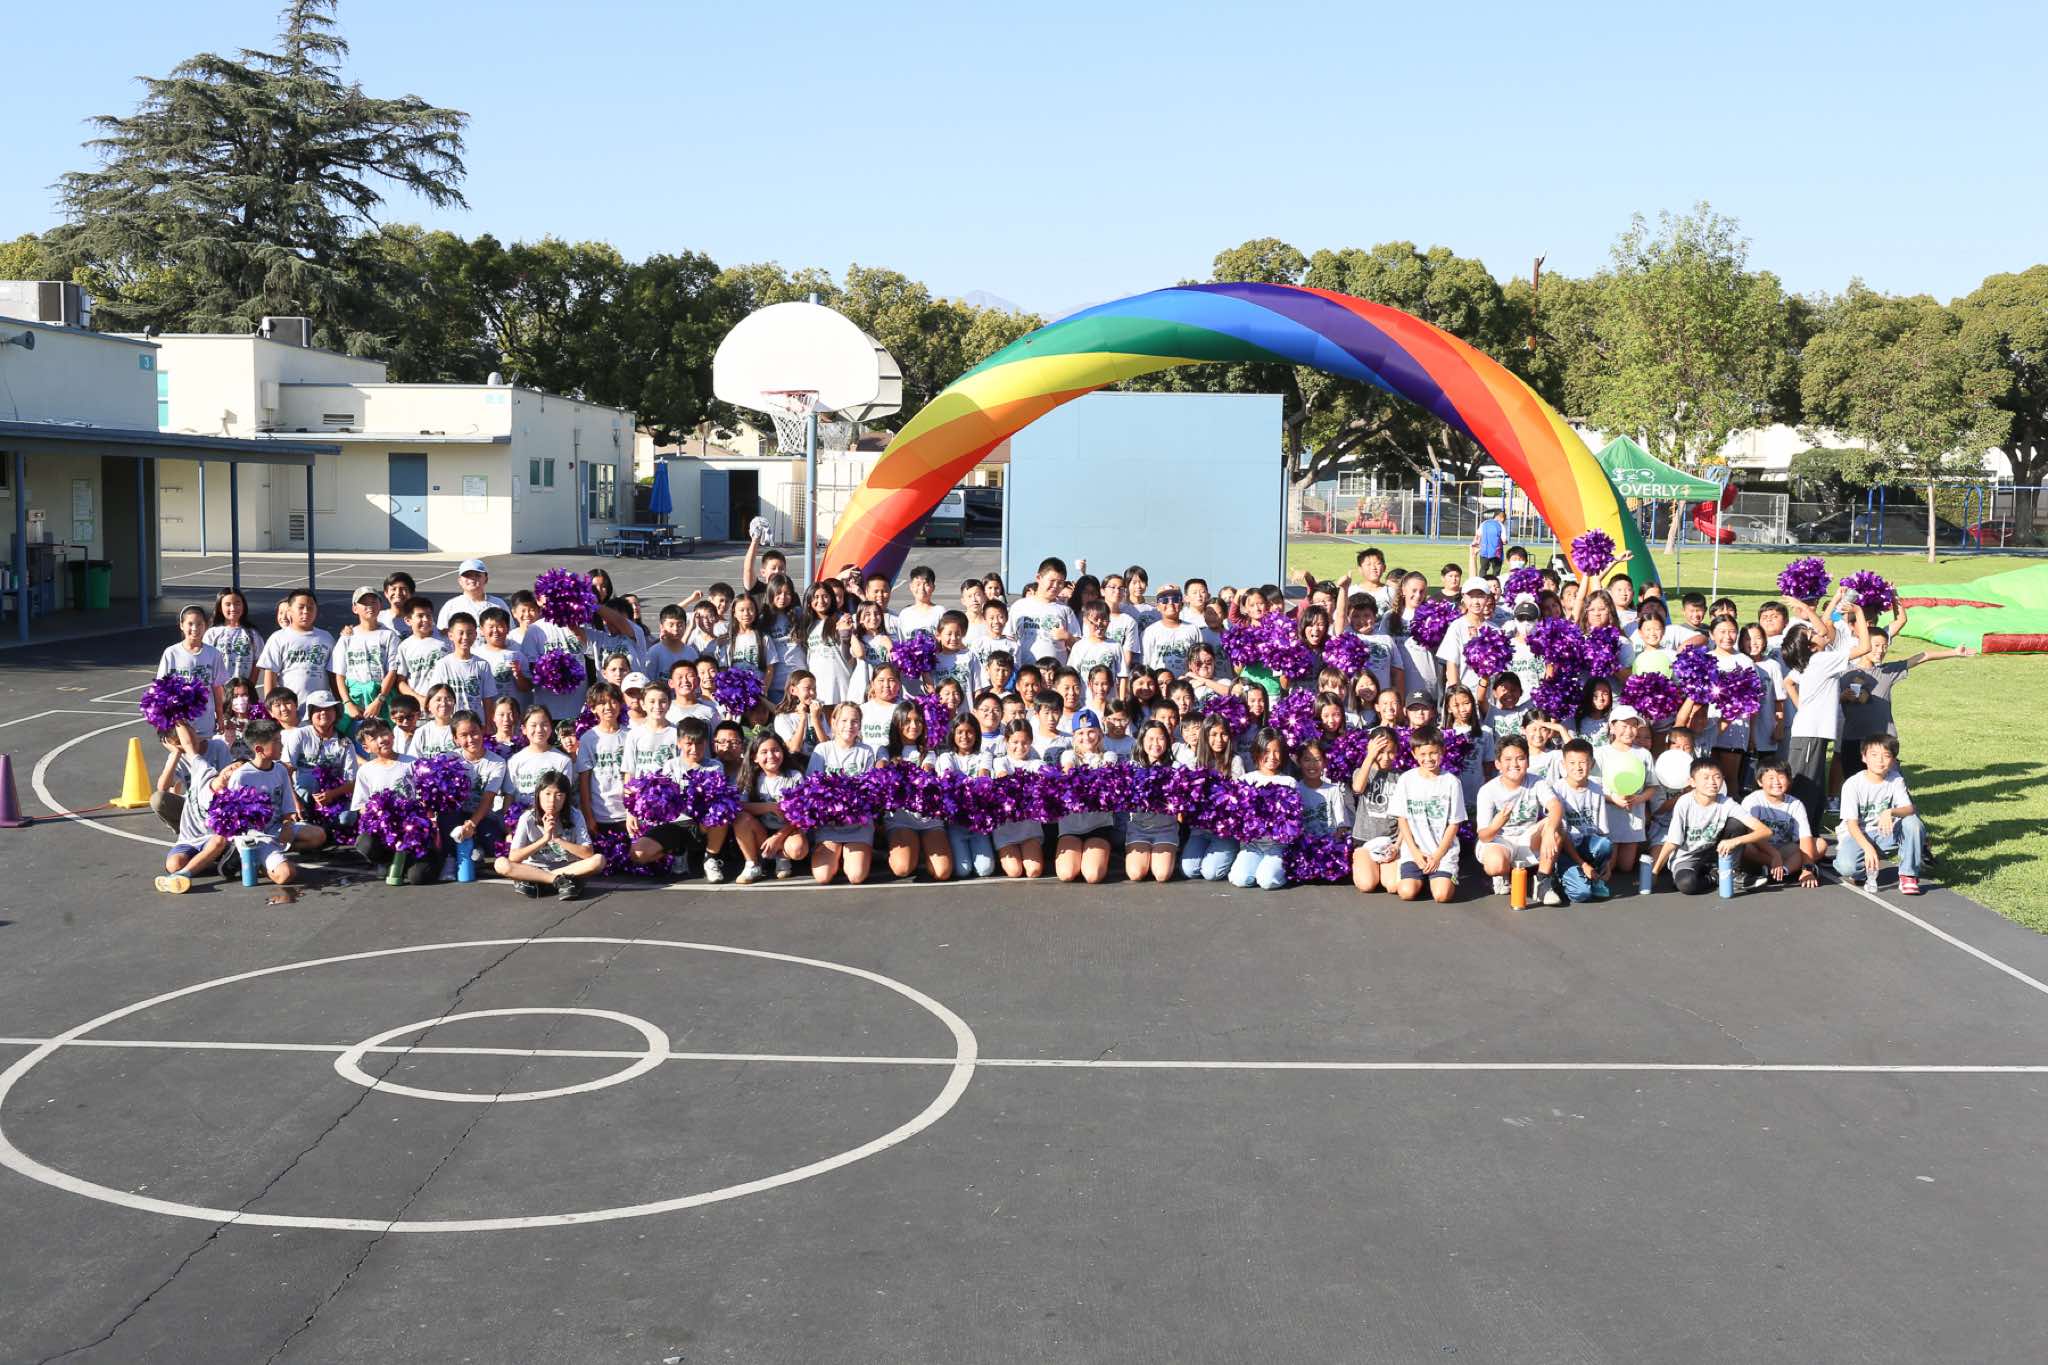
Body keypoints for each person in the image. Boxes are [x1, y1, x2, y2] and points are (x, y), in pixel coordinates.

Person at [217, 718, 326, 885]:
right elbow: (232, 818)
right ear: (259, 749)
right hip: (255, 835)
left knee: (318, 836)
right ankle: (253, 858)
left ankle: (270, 854)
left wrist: (287, 826)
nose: (281, 745)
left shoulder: (280, 769)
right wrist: (244, 838)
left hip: (276, 828)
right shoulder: (242, 776)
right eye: (276, 741)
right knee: (286, 875)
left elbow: (287, 807)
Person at [1651, 756, 1771, 896]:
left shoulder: (1727, 803)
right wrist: (1655, 871)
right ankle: (1715, 877)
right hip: (1687, 858)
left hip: (1713, 854)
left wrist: (1735, 841)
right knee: (1687, 884)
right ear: (1692, 782)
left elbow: (1765, 831)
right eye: (1706, 778)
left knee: (1736, 823)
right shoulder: (1684, 803)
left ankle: (1732, 872)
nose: (1712, 782)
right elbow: (1672, 841)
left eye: (1717, 777)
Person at [1835, 734, 1927, 895]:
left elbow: (1909, 808)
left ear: (1893, 760)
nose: (1880, 761)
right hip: (1858, 835)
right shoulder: (1852, 784)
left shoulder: (1896, 779)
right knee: (1847, 866)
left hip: (1886, 832)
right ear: (1864, 757)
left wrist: (1890, 811)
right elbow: (1852, 825)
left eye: (1886, 755)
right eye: (1874, 755)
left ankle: (1908, 875)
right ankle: (1859, 869)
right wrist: (1868, 848)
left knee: (1913, 822)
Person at [495, 769, 604, 899]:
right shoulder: (527, 818)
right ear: (538, 795)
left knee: (598, 860)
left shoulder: (575, 815)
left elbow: (588, 853)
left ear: (566, 798)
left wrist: (557, 839)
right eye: (547, 794)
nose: (552, 800)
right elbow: (514, 857)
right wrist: (544, 839)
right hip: (534, 868)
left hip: (567, 868)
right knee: (501, 864)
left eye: (559, 795)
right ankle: (558, 881)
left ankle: (542, 882)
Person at [807, 701, 879, 885]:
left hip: (858, 826)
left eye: (854, 721)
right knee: (823, 877)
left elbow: (869, 791)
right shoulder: (822, 750)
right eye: (844, 720)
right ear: (834, 722)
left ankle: (858, 853)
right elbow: (811, 788)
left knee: (856, 876)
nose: (849, 725)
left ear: (860, 724)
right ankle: (836, 855)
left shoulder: (866, 751)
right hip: (829, 827)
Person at [880, 700, 951, 882]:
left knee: (942, 872)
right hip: (900, 820)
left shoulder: (929, 752)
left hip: (929, 821)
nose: (914, 725)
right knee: (902, 869)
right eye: (908, 721)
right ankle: (901, 850)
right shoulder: (885, 750)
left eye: (918, 721)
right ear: (897, 723)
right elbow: (880, 768)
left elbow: (927, 771)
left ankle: (919, 848)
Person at [1391, 726, 1464, 903]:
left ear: (1442, 751)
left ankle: (1444, 877)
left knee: (1442, 895)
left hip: (1442, 851)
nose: (1428, 759)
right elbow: (1402, 819)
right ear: (1414, 754)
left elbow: (1454, 824)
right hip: (1415, 851)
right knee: (1406, 892)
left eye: (1433, 753)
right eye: (1423, 754)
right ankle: (1422, 880)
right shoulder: (1406, 779)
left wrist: (1438, 856)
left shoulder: (1452, 782)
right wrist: (1415, 853)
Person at [1538, 738, 1612, 904]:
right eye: (1572, 763)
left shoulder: (1597, 789)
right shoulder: (1557, 790)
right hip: (1566, 848)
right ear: (1563, 765)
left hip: (1587, 845)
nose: (1578, 767)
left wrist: (1607, 865)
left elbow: (1602, 831)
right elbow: (1562, 833)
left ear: (1592, 764)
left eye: (1583, 762)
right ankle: (1560, 876)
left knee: (1605, 845)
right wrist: (1582, 864)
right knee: (1581, 894)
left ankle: (1596, 877)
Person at [1474, 735, 1547, 899]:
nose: (1514, 764)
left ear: (1528, 761)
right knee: (1495, 865)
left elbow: (1555, 807)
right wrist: (1496, 825)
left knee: (1556, 823)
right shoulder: (1487, 790)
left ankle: (1545, 879)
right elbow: (1484, 836)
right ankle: (1503, 874)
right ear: (1498, 764)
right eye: (1507, 759)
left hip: (1528, 838)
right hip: (1499, 841)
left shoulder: (1538, 782)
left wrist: (1551, 831)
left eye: (1520, 759)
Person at [1227, 727, 1297, 891]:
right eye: (1266, 751)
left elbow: (1293, 823)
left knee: (1267, 881)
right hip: (1252, 845)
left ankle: (1281, 869)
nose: (1272, 757)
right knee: (1239, 879)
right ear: (1257, 752)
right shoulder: (1245, 780)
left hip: (1277, 846)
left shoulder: (1289, 782)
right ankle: (1260, 866)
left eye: (1277, 751)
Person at [1054, 709, 1118, 884]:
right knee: (1066, 874)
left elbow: (1106, 775)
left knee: (1092, 875)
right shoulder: (1068, 755)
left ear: (1099, 733)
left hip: (1099, 826)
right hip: (1071, 828)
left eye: (1091, 731)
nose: (1086, 737)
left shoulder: (1109, 755)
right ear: (1074, 736)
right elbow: (1068, 770)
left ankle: (1098, 855)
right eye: (1080, 733)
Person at [1741, 759, 1821, 890]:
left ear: (1789, 780)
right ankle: (1781, 867)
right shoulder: (1752, 801)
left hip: (1784, 848)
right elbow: (1752, 834)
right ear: (1760, 782)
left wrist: (1808, 869)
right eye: (1771, 778)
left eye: (1781, 777)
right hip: (1761, 849)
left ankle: (1781, 871)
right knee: (1745, 847)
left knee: (1820, 844)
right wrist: (1774, 855)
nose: (1777, 782)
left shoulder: (1796, 804)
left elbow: (1805, 837)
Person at [157, 605, 229, 740]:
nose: (195, 628)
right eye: (190, 624)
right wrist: (163, 717)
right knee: (182, 749)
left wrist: (220, 716)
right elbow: (162, 689)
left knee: (204, 750)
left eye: (199, 624)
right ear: (181, 625)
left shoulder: (213, 654)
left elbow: (217, 688)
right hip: (179, 720)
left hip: (205, 720)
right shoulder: (171, 653)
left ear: (206, 626)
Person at [255, 590, 335, 705]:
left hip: (320, 707)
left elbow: (333, 675)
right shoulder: (278, 638)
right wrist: (271, 706)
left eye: (310, 608)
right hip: (289, 707)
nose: (306, 611)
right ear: (290, 611)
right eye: (301, 607)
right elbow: (270, 675)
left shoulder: (326, 638)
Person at [990, 719, 1047, 879]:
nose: (1020, 747)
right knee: (1014, 872)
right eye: (1015, 742)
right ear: (1006, 741)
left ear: (1031, 742)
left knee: (1034, 871)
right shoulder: (1000, 761)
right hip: (1006, 832)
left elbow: (1043, 779)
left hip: (1030, 831)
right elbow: (1003, 777)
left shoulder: (1037, 763)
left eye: (1025, 742)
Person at [436, 558, 507, 632]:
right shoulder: (450, 606)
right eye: (467, 575)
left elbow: (510, 633)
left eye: (477, 575)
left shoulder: (499, 604)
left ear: (486, 579)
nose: (472, 579)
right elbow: (441, 634)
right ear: (460, 580)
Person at [1471, 507, 1507, 579]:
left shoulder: (1484, 523)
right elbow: (1504, 540)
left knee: (1483, 569)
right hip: (1496, 552)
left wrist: (1476, 544)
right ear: (1500, 518)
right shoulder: (1501, 525)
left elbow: (1477, 536)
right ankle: (1494, 583)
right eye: (1504, 519)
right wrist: (1505, 542)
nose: (1504, 521)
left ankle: (1482, 582)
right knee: (1496, 571)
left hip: (1484, 551)